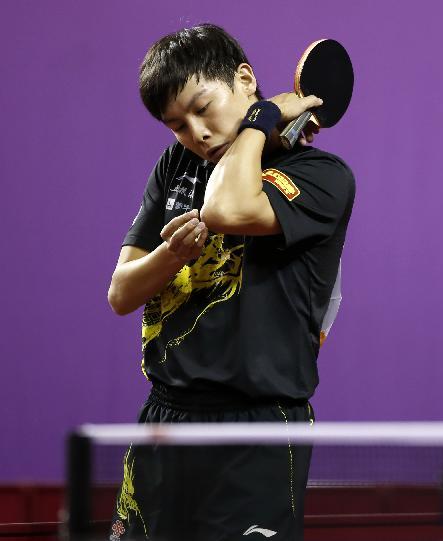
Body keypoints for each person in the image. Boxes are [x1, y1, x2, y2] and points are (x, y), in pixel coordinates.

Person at [106, 23, 355, 541]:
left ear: (245, 79)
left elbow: (226, 207)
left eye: (202, 108)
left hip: (257, 429)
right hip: (164, 421)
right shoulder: (176, 166)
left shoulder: (321, 175)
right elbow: (122, 293)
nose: (195, 133)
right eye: (176, 124)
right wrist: (171, 255)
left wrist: (260, 124)